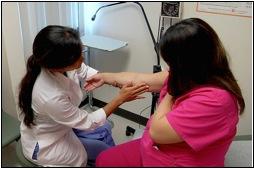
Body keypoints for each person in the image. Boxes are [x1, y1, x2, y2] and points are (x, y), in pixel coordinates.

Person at [84, 18, 245, 167]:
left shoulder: (214, 100)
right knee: (104, 159)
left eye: (171, 62)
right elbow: (139, 78)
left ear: (186, 62)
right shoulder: (194, 74)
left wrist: (172, 89)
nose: (169, 68)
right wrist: (104, 77)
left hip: (179, 162)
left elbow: (157, 132)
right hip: (156, 149)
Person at [17, 25, 149, 167]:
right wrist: (120, 99)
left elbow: (84, 71)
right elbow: (89, 122)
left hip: (61, 125)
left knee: (104, 129)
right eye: (78, 56)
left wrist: (113, 81)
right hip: (47, 146)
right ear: (61, 64)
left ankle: (111, 159)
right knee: (103, 151)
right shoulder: (50, 96)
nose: (82, 57)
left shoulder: (56, 63)